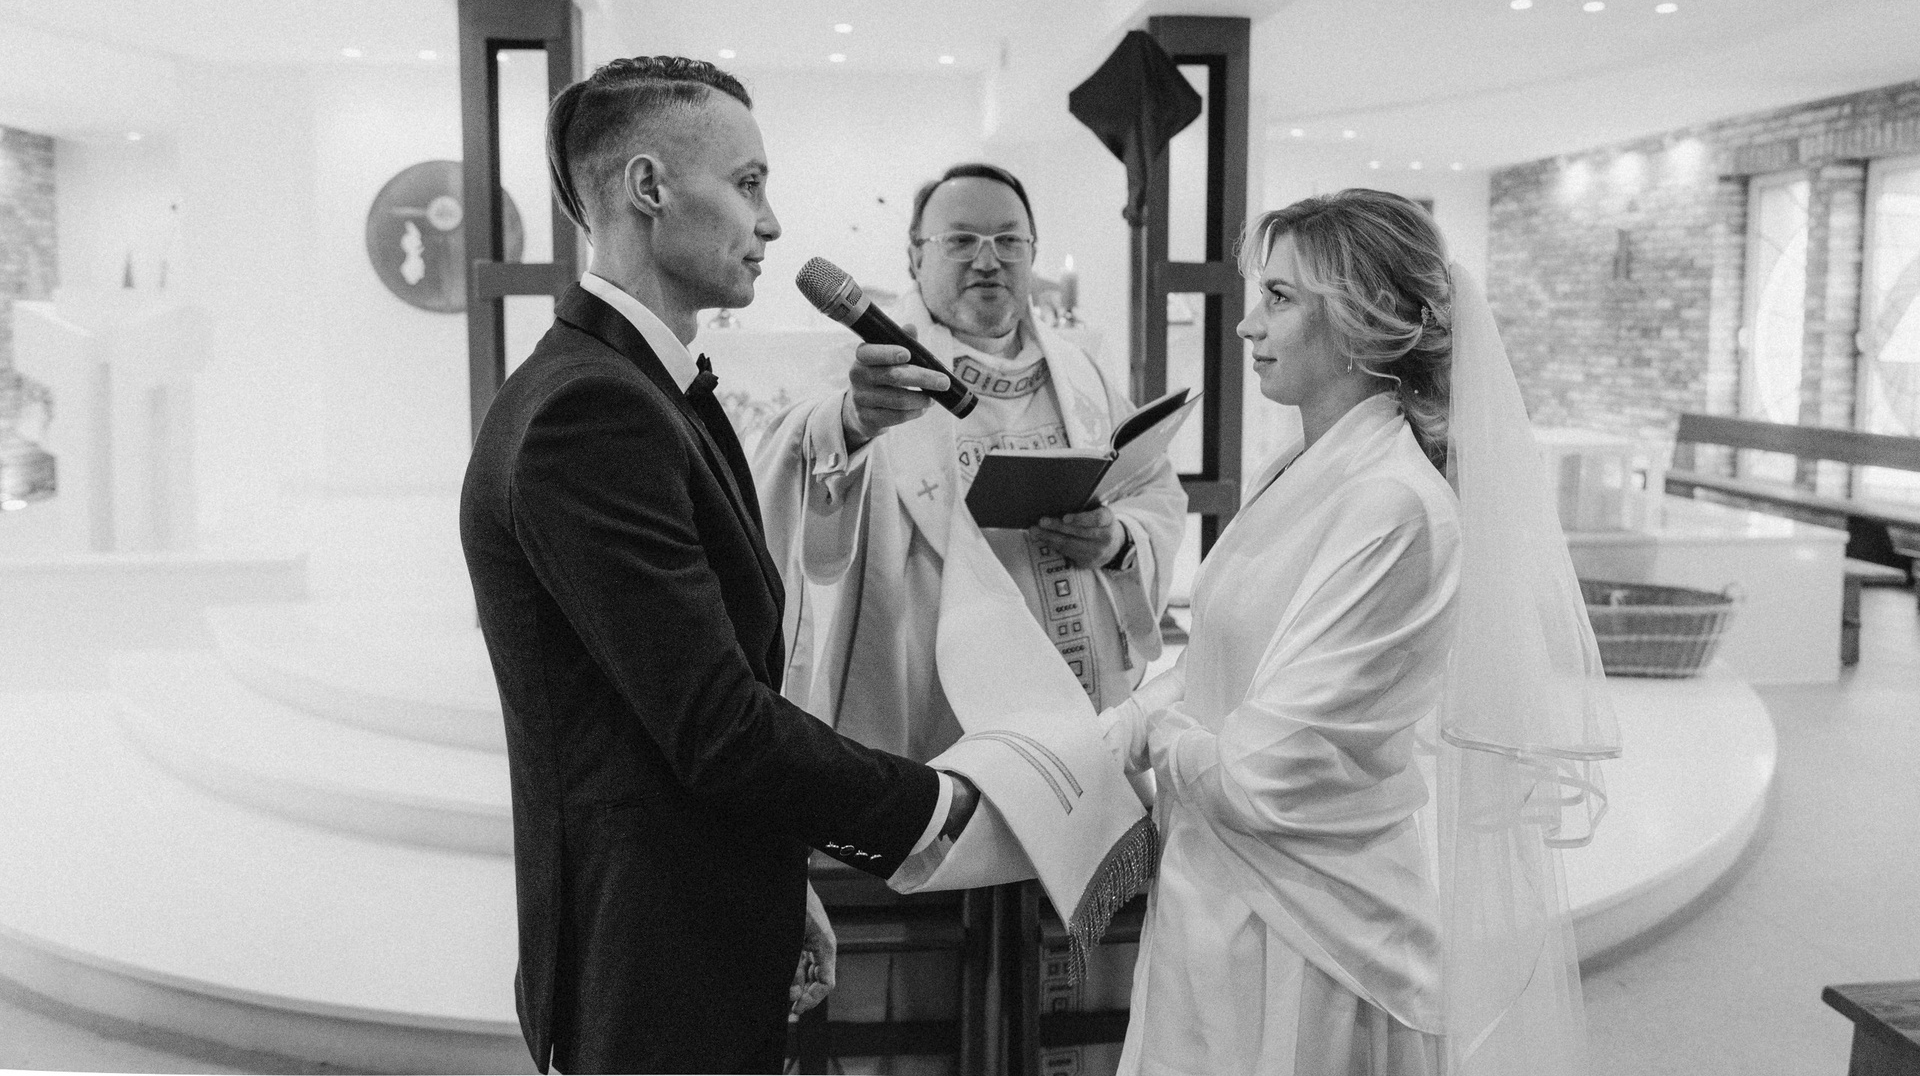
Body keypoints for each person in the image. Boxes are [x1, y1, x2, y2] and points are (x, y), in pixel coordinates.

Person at [459, 56, 978, 1076]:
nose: (772, 223)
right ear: (649, 187)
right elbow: (714, 722)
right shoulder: (589, 410)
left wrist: (777, 877)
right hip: (654, 954)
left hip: (694, 910)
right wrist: (934, 805)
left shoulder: (629, 385)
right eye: (748, 184)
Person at [1102, 190, 1618, 1076]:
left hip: (1308, 931)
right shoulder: (1301, 465)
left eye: (1279, 298)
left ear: (1359, 321)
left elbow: (1265, 775)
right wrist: (1121, 725)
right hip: (1220, 891)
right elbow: (1223, 665)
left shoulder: (1393, 505)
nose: (1247, 325)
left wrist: (1156, 739)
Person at [756, 162, 1188, 762]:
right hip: (931, 708)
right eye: (960, 241)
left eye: (1009, 241)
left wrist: (1116, 541)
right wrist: (851, 424)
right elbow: (784, 467)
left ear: (1032, 253)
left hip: (1077, 704)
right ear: (915, 256)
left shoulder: (1080, 372)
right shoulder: (870, 371)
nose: (988, 261)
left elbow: (1154, 491)